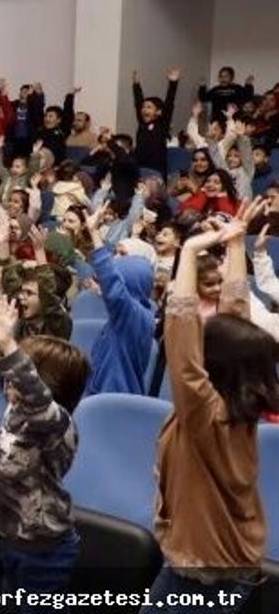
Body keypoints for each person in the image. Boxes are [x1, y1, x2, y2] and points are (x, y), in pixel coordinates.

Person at [140, 206, 279, 614]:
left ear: (213, 362)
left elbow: (181, 340)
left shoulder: (207, 412)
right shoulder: (239, 396)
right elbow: (236, 317)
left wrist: (189, 253)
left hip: (204, 575)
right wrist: (235, 245)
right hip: (209, 562)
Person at [0, 297, 89, 610]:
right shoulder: (15, 407)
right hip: (11, 537)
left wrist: (10, 347)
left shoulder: (55, 424)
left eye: (22, 373)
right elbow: (6, 371)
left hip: (44, 551)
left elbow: (34, 394)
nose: (8, 382)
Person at [81, 207, 154, 395]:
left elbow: (112, 285)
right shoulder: (133, 314)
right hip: (103, 394)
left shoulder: (135, 316)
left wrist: (94, 233)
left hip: (116, 398)